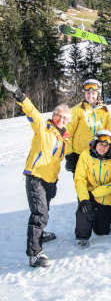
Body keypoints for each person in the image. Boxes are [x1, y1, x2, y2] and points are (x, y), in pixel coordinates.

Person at [2, 80, 71, 268]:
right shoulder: (43, 128)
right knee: (39, 214)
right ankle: (34, 253)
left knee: (44, 210)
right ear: (53, 116)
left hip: (50, 181)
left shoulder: (63, 139)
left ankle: (40, 234)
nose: (62, 120)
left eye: (65, 118)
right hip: (36, 178)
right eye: (59, 116)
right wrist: (20, 95)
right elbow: (32, 111)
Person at [74, 130, 111, 248]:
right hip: (88, 195)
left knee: (102, 232)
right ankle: (83, 237)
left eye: (106, 145)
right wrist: (84, 198)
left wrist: (93, 194)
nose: (103, 147)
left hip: (106, 198)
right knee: (84, 209)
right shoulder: (85, 155)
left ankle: (99, 218)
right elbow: (80, 179)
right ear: (95, 143)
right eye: (100, 144)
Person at [65, 79, 111, 175]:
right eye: (88, 93)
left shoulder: (104, 111)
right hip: (80, 154)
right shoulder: (76, 110)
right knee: (82, 184)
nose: (91, 96)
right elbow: (68, 134)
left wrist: (109, 150)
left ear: (98, 94)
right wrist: (69, 155)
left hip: (99, 154)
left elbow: (108, 133)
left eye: (93, 93)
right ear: (84, 94)